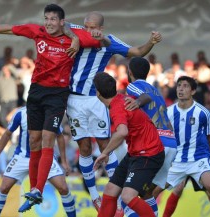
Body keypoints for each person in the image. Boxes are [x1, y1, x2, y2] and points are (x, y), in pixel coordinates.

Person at [0, 3, 108, 212]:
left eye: (53, 19)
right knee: (34, 141)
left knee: (46, 139)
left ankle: (37, 190)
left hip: (57, 95)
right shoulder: (38, 32)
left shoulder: (72, 37)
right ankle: (35, 189)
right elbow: (11, 28)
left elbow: (101, 41)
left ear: (62, 21)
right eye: (47, 19)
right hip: (36, 92)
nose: (49, 23)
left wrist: (91, 34)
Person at [65, 11, 162, 211]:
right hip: (73, 98)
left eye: (93, 27)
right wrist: (74, 36)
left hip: (96, 99)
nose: (89, 31)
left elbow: (137, 52)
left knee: (103, 145)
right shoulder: (78, 32)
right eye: (86, 26)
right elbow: (63, 25)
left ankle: (117, 197)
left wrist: (151, 42)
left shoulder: (110, 42)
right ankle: (94, 197)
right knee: (83, 147)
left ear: (101, 29)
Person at [92, 72, 165, 217]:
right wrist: (138, 102)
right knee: (110, 190)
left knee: (127, 196)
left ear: (98, 93)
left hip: (148, 154)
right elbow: (147, 96)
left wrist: (105, 152)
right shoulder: (122, 98)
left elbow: (122, 132)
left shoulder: (116, 107)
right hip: (135, 153)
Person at [117, 57, 177, 216]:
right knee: (147, 192)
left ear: (130, 72)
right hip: (170, 142)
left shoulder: (133, 86)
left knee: (128, 192)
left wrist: (138, 102)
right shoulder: (156, 90)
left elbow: (144, 97)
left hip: (154, 144)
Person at [0, 106, 76, 216]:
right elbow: (7, 133)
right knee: (4, 187)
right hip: (22, 156)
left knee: (63, 188)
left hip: (44, 157)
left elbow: (59, 136)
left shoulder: (51, 114)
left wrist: (64, 161)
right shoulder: (20, 113)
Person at [162, 76, 210, 216]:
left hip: (198, 158)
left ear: (193, 91)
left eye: (185, 86)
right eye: (179, 85)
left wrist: (204, 153)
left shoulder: (203, 113)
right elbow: (165, 136)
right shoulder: (168, 112)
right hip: (177, 160)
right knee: (169, 190)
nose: (181, 89)